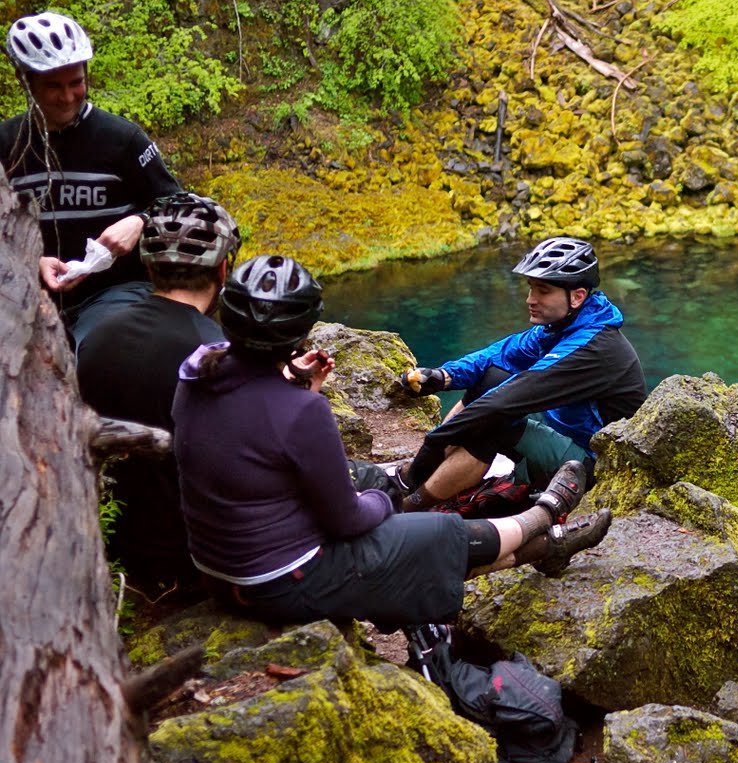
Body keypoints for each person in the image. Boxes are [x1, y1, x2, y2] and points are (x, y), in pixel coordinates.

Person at [171, 254, 612, 628]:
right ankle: (543, 518)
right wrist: (385, 503)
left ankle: (546, 547)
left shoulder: (197, 369)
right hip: (280, 581)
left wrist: (291, 386)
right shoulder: (302, 411)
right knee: (432, 531)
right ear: (302, 330)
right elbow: (347, 520)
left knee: (366, 479)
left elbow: (254, 428)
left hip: (218, 567)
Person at [397, 236, 648, 512]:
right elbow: (498, 355)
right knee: (491, 378)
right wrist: (444, 376)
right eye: (531, 289)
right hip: (562, 438)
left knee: (495, 420)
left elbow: (503, 403)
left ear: (577, 296)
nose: (531, 299)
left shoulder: (594, 347)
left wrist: (436, 441)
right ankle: (422, 477)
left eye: (542, 291)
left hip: (591, 469)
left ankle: (412, 506)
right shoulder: (564, 326)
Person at [76, 193, 238, 598]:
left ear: (148, 267)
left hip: (114, 544)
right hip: (192, 559)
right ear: (222, 268)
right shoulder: (217, 355)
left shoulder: (94, 340)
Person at [1, 11, 182, 344]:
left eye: (76, 83)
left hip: (115, 292)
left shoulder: (122, 138)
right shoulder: (7, 143)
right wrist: (31, 261)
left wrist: (140, 221)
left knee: (99, 351)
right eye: (53, 86)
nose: (68, 97)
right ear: (24, 81)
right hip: (26, 295)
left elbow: (181, 206)